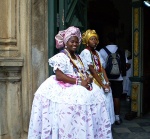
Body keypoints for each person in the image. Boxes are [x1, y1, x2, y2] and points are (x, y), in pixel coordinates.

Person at [28, 26, 113, 139]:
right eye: (72, 41)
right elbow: (59, 75)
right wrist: (78, 82)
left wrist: (88, 78)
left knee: (95, 101)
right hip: (66, 87)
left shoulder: (78, 57)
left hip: (81, 85)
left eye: (77, 42)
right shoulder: (61, 56)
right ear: (65, 42)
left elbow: (83, 71)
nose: (75, 44)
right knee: (70, 115)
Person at [80, 29, 115, 125]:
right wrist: (102, 85)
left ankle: (105, 124)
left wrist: (107, 82)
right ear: (87, 41)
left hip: (101, 79)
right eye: (91, 39)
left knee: (107, 99)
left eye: (95, 39)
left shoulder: (97, 53)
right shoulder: (86, 52)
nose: (94, 41)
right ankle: (98, 125)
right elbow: (92, 70)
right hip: (93, 81)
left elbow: (102, 68)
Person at [99, 32, 126, 125]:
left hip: (106, 79)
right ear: (116, 39)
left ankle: (107, 117)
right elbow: (125, 64)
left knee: (106, 98)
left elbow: (100, 66)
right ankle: (117, 118)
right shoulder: (120, 50)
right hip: (118, 78)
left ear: (107, 39)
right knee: (117, 97)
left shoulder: (102, 51)